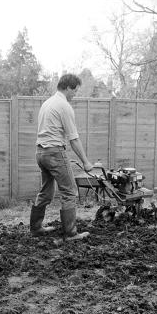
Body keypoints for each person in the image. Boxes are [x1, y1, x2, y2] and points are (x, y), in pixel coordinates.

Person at [30, 73, 94, 240]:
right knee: (70, 191)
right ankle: (71, 233)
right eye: (75, 91)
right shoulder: (63, 106)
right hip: (54, 152)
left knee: (46, 191)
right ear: (67, 88)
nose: (75, 94)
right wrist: (86, 162)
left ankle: (36, 228)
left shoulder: (47, 103)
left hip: (40, 152)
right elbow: (73, 138)